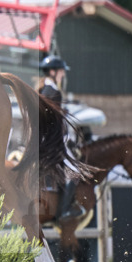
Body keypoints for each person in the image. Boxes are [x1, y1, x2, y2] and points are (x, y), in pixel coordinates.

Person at [38, 55, 84, 221]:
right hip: (52, 144)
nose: (63, 75)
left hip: (43, 142)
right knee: (75, 172)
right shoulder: (53, 93)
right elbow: (54, 124)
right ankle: (63, 211)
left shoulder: (44, 90)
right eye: (61, 72)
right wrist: (65, 140)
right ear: (52, 71)